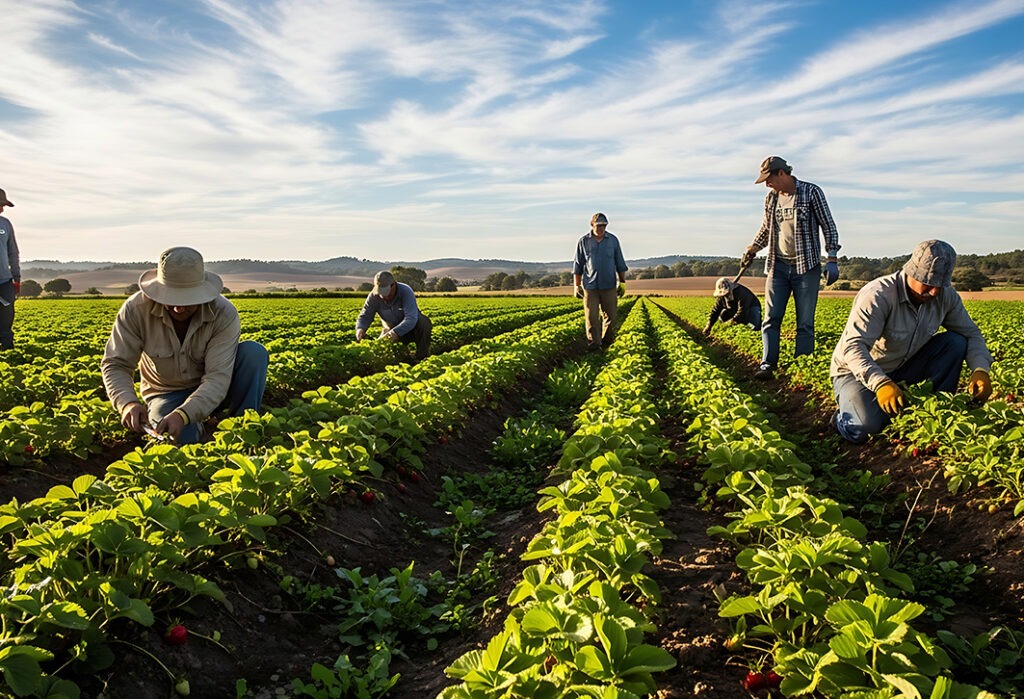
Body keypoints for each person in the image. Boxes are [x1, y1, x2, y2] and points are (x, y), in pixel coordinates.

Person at [830, 240, 993, 444]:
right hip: (857, 372)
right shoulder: (878, 295)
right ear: (912, 272)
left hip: (904, 365)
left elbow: (971, 334)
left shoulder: (945, 296)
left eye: (940, 285)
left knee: (955, 342)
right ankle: (841, 418)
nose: (934, 292)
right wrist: (880, 383)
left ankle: (940, 408)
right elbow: (853, 347)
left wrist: (980, 369)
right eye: (929, 283)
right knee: (864, 429)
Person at [101, 247, 269, 444]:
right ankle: (195, 432)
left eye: (187, 300)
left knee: (253, 353)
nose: (178, 308)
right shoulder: (135, 310)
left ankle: (242, 432)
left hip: (220, 389)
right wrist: (127, 403)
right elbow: (116, 364)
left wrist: (184, 415)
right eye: (170, 299)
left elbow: (217, 377)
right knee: (178, 440)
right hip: (166, 393)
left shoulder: (223, 313)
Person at [741, 156, 841, 379]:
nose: (767, 185)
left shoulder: (811, 192)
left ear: (782, 174)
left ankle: (803, 368)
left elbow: (829, 226)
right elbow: (766, 229)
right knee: (770, 319)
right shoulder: (771, 199)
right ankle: (768, 364)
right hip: (778, 266)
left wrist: (832, 258)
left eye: (769, 179)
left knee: (805, 322)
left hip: (806, 268)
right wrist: (752, 249)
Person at [573, 212, 628, 350]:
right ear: (592, 225)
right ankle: (594, 345)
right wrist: (576, 285)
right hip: (590, 287)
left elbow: (620, 262)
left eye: (604, 225)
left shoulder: (613, 240)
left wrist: (622, 282)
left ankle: (607, 343)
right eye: (598, 225)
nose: (601, 228)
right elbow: (578, 265)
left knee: (611, 316)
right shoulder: (584, 241)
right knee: (591, 318)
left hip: (609, 285)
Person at [355, 270, 432, 360]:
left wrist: (394, 333)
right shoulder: (373, 296)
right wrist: (360, 329)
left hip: (411, 328)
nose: (384, 296)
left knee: (424, 323)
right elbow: (365, 315)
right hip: (389, 328)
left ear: (393, 285)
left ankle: (422, 357)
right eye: (380, 292)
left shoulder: (405, 291)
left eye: (386, 292)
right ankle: (401, 358)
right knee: (383, 354)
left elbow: (411, 319)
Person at [0, 188, 21, 350]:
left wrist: (17, 278)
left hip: (4, 282)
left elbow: (13, 252)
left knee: (6, 322)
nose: (2, 208)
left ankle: (9, 354)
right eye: (0, 205)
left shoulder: (5, 224)